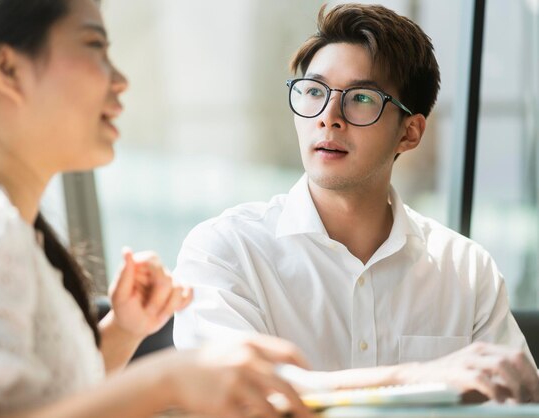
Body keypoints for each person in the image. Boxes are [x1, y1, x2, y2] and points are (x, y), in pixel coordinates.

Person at [0, 1, 314, 417]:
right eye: (94, 45)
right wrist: (168, 378)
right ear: (9, 70)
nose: (120, 80)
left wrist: (123, 332)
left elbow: (38, 403)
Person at [173, 2, 539, 403]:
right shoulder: (226, 251)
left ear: (410, 133)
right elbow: (236, 394)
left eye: (361, 98)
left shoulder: (467, 271)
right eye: (313, 91)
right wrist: (422, 377)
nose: (328, 116)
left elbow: (518, 400)